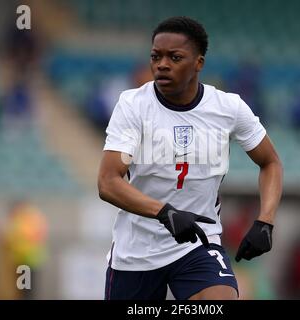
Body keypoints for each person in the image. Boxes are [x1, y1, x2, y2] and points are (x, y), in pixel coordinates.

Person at [98, 16, 283, 300]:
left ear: (199, 63)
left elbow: (270, 162)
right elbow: (108, 182)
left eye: (175, 57)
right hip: (136, 253)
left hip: (198, 244)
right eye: (155, 56)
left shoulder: (228, 108)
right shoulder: (133, 106)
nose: (162, 64)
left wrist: (265, 221)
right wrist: (165, 212)